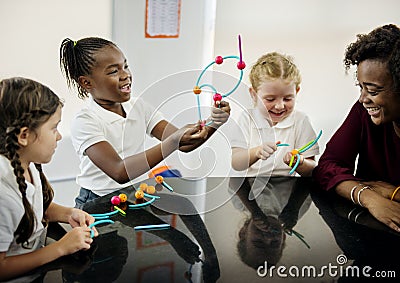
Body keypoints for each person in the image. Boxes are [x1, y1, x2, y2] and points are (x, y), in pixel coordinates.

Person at [59, 37, 230, 208]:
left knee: (185, 208)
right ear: (86, 82)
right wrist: (173, 140)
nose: (125, 75)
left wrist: (214, 122)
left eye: (125, 66)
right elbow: (119, 171)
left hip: (134, 194)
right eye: (113, 72)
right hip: (97, 200)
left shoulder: (138, 106)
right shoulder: (85, 121)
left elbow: (185, 144)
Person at [0, 77, 97, 282]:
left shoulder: (27, 163)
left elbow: (33, 208)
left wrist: (68, 213)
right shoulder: (2, 194)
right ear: (24, 135)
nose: (59, 136)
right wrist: (60, 248)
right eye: (54, 128)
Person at [313, 24, 400, 233]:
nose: (362, 99)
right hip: (369, 232)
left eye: (372, 90)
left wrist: (394, 193)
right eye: (360, 87)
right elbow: (327, 166)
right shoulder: (364, 112)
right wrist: (368, 197)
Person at [230, 52, 319, 177]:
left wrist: (300, 162)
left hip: (288, 191)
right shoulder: (247, 118)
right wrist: (256, 152)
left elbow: (312, 168)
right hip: (250, 191)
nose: (279, 106)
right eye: (270, 99)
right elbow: (236, 163)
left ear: (296, 92)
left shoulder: (300, 120)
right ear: (254, 94)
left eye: (287, 99)